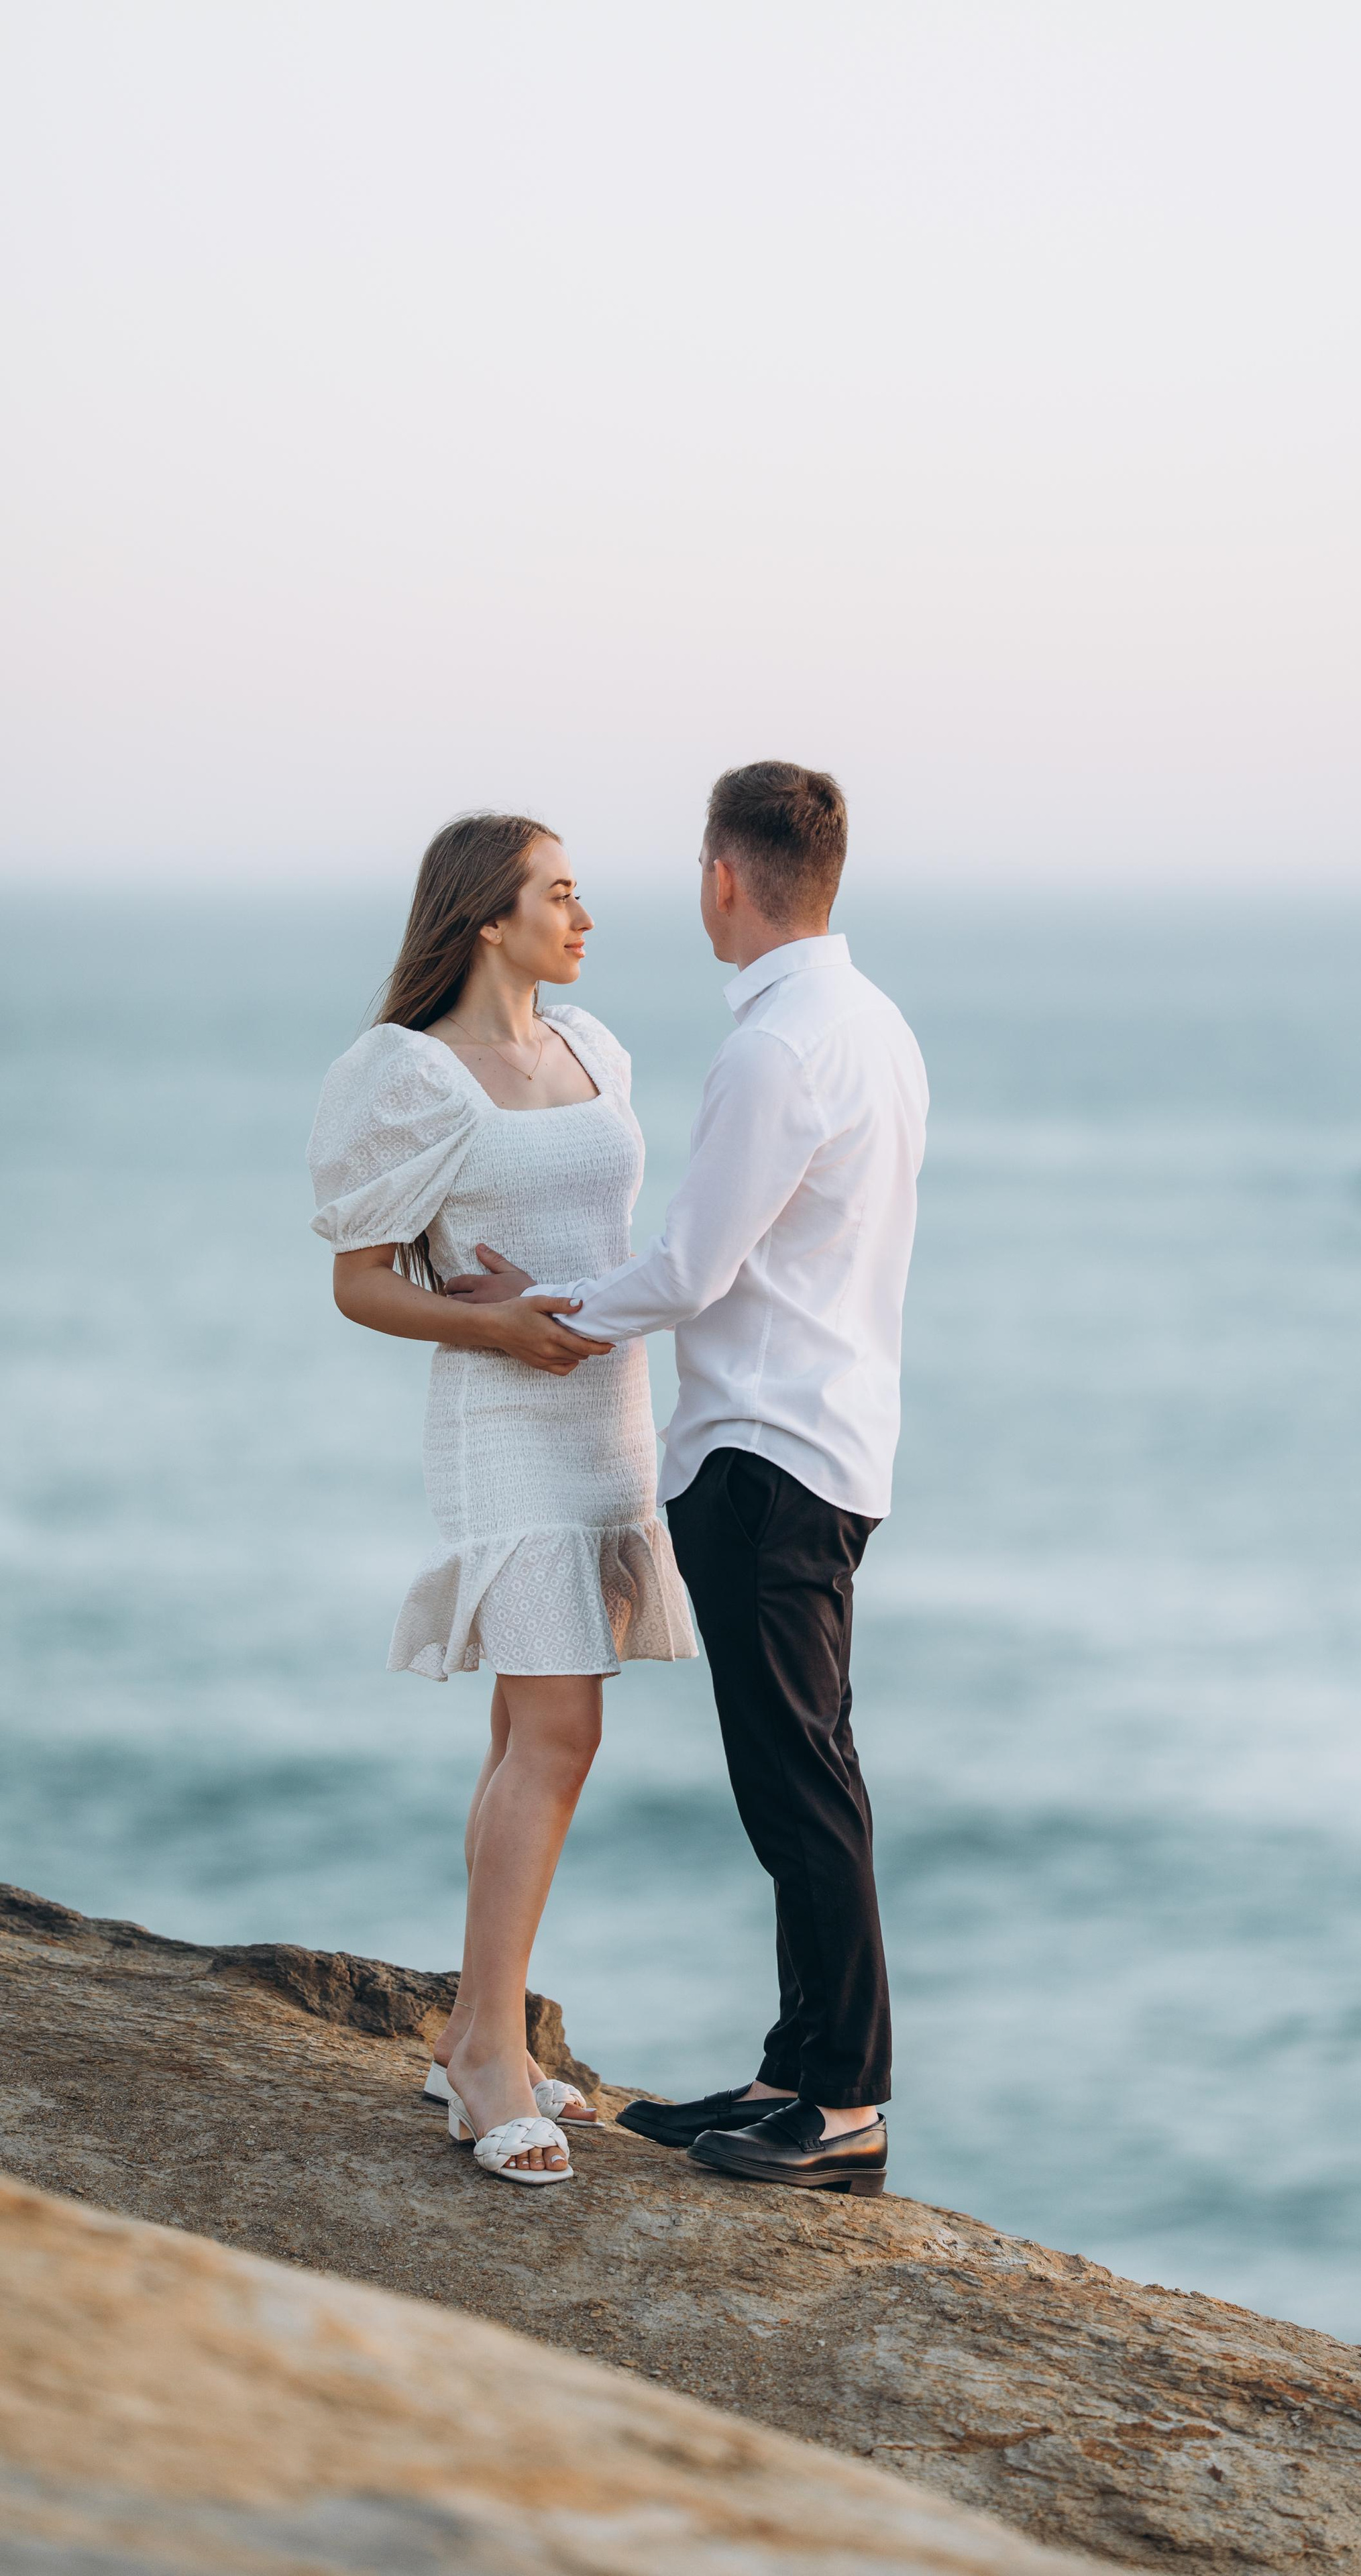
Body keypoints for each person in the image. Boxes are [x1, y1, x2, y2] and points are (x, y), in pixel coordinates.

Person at [445, 761, 928, 2196]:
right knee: (804, 1765)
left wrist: (545, 1310)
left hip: (768, 1453)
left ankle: (838, 2103)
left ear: (725, 876)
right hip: (833, 1438)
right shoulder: (874, 1024)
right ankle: (799, 2070)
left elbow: (694, 1268)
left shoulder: (776, 1047)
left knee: (796, 1781)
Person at [307, 813, 696, 2188]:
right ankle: (485, 2056)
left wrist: (584, 1311)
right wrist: (501, 1330)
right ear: (486, 915)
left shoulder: (597, 1052)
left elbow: (612, 1243)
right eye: (560, 896)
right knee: (560, 1730)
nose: (584, 919)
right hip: (504, 1428)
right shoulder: (409, 1077)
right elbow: (362, 1282)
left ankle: (477, 2035)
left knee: (520, 1733)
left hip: (609, 1423)